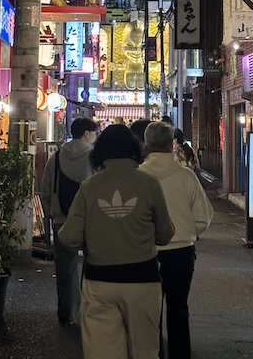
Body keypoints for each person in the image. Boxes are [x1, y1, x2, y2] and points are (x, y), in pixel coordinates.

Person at [58, 124, 174, 359]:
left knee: (103, 352)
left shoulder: (89, 187)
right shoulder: (149, 184)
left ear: (100, 153)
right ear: (134, 150)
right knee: (145, 351)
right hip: (143, 280)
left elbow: (69, 237)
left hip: (100, 280)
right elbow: (165, 234)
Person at [141, 121, 213, 359]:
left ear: (146, 144)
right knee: (179, 308)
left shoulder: (138, 177)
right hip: (181, 251)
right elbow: (204, 215)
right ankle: (180, 354)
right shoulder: (186, 176)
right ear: (171, 144)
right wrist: (189, 232)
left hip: (146, 252)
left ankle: (154, 352)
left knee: (151, 311)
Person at [41, 117, 99, 326]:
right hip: (92, 221)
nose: (95, 137)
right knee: (93, 266)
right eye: (94, 133)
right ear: (86, 134)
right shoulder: (95, 159)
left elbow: (45, 190)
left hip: (61, 219)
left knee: (65, 269)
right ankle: (91, 312)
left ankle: (67, 313)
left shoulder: (55, 158)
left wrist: (53, 212)